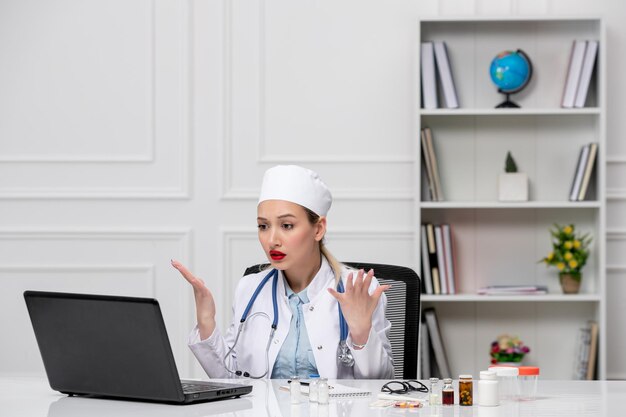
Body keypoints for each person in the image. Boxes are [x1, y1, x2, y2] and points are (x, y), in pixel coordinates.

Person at [171, 165, 394, 379]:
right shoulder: (250, 289)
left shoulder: (360, 290)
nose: (272, 240)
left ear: (318, 228)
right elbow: (231, 380)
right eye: (263, 226)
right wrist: (206, 320)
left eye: (286, 225)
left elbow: (381, 387)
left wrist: (361, 332)